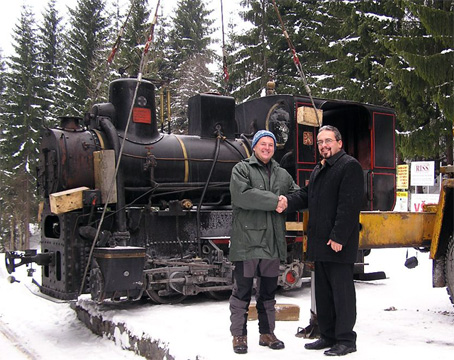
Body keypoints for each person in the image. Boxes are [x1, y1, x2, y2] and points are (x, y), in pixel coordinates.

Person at [277, 125, 364, 356]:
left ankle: (346, 340)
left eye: (328, 141)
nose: (323, 145)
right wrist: (287, 201)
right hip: (320, 243)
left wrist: (338, 237)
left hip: (337, 244)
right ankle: (327, 336)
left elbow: (349, 205)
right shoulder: (320, 169)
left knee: (341, 294)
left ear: (339, 143)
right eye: (320, 142)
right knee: (324, 294)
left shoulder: (349, 166)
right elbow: (307, 195)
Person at [229, 130, 299, 354]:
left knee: (268, 292)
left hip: (272, 242)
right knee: (242, 291)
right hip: (247, 242)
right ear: (255, 146)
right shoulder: (241, 169)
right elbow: (242, 195)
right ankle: (239, 336)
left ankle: (267, 333)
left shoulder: (282, 174)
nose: (267, 148)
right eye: (263, 144)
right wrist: (275, 201)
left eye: (271, 144)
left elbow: (296, 194)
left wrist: (287, 200)